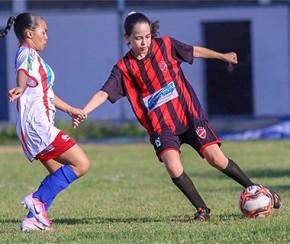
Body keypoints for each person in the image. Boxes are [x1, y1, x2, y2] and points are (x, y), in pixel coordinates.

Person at [73, 12, 281, 220]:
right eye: (138, 38)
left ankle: (260, 190)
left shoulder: (166, 45)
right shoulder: (124, 68)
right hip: (161, 126)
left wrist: (222, 56)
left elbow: (194, 51)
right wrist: (84, 111)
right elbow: (104, 92)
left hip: (188, 116)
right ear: (127, 38)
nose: (144, 42)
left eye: (147, 36)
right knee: (173, 166)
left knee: (216, 158)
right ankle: (202, 210)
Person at [1, 13, 90, 231]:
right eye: (44, 31)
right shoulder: (26, 53)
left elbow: (47, 93)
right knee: (81, 164)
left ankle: (33, 219)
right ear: (29, 34)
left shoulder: (37, 59)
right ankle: (36, 199)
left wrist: (70, 110)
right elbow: (22, 72)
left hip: (35, 127)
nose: (47, 36)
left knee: (58, 172)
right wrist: (20, 87)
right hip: (37, 126)